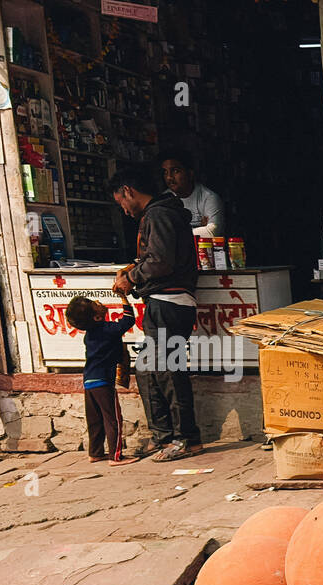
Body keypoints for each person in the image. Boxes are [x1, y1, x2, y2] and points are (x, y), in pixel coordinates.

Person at [107, 163, 203, 461]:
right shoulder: (159, 213)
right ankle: (163, 436)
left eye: (121, 202)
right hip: (160, 304)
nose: (123, 209)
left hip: (170, 305)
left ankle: (186, 439)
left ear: (128, 191)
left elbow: (161, 262)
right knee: (148, 371)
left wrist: (132, 277)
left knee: (170, 372)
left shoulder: (160, 214)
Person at [65, 295, 138, 466]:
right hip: (103, 381)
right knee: (113, 418)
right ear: (96, 317)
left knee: (95, 420)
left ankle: (95, 453)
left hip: (89, 381)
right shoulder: (106, 329)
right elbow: (128, 320)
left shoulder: (90, 334)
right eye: (94, 304)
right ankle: (116, 456)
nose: (98, 302)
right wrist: (123, 298)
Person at [160, 150, 225, 237]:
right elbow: (160, 233)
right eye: (165, 172)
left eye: (175, 171)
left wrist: (173, 234)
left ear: (190, 174)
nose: (169, 177)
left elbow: (213, 231)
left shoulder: (208, 198)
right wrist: (201, 230)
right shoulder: (164, 199)